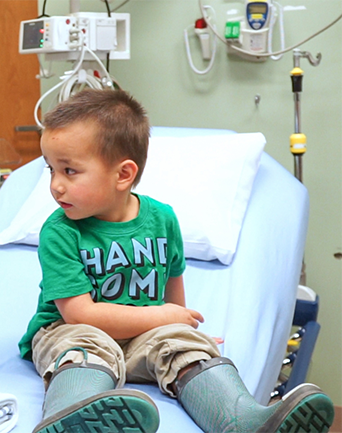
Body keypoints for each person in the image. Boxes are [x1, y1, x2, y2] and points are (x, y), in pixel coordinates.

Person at [18, 89, 334, 433]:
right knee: (83, 351)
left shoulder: (162, 219)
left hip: (143, 336)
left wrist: (180, 329)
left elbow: (173, 294)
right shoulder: (60, 231)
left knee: (187, 348)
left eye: (69, 171)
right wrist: (162, 315)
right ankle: (70, 415)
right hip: (74, 330)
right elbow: (79, 313)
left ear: (123, 175)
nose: (56, 186)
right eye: (51, 170)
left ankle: (241, 420)